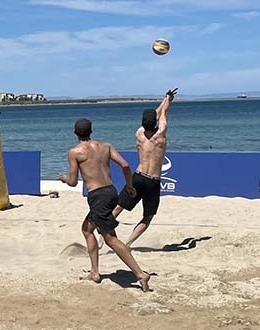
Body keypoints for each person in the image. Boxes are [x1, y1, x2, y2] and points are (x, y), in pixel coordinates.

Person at [59, 118, 151, 292]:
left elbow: (73, 182)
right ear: (91, 131)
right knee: (87, 229)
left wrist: (64, 179)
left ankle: (140, 274)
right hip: (111, 191)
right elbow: (125, 165)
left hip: (97, 196)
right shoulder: (106, 146)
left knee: (110, 239)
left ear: (75, 133)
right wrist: (129, 186)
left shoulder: (75, 152)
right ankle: (94, 272)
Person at [111, 88, 178, 248]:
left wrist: (165, 99)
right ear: (155, 123)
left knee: (118, 207)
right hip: (153, 181)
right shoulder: (160, 134)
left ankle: (104, 237)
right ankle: (127, 245)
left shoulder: (139, 134)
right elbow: (163, 113)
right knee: (148, 216)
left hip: (138, 176)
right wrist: (168, 100)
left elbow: (156, 114)